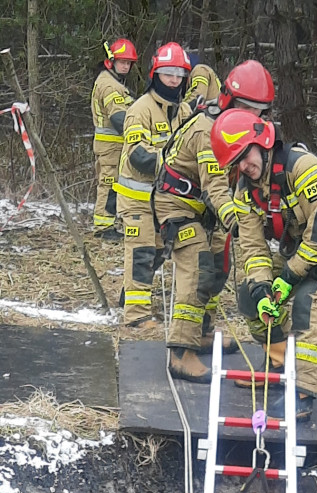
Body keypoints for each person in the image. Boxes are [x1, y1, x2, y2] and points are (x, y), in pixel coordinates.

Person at [209, 110, 317, 422]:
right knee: (248, 295)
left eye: (245, 156)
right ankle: (279, 359)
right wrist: (262, 285)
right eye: (236, 162)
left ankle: (302, 391)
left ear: (262, 142)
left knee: (308, 304)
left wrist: (288, 276)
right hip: (301, 243)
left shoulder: (302, 167)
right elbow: (253, 246)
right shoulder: (245, 190)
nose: (244, 166)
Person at [152, 60, 277, 381]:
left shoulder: (236, 127)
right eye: (249, 110)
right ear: (231, 101)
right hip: (177, 203)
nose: (255, 120)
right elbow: (216, 188)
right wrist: (239, 223)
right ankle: (181, 353)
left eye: (260, 113)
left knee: (220, 264)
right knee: (196, 266)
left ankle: (203, 331)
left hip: (204, 207)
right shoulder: (210, 131)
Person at [114, 43, 191, 329]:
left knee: (159, 252)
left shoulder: (182, 111)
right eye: (168, 73)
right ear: (155, 74)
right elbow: (137, 156)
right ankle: (136, 317)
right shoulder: (140, 109)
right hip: (136, 200)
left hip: (163, 201)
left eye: (179, 74)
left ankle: (129, 294)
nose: (173, 79)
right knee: (142, 252)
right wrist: (172, 165)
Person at [91, 39, 138, 239]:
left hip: (110, 145)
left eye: (129, 63)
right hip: (111, 146)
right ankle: (103, 227)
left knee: (110, 183)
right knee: (109, 184)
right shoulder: (111, 86)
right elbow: (119, 118)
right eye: (122, 62)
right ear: (111, 61)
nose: (126, 66)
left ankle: (106, 224)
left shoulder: (110, 81)